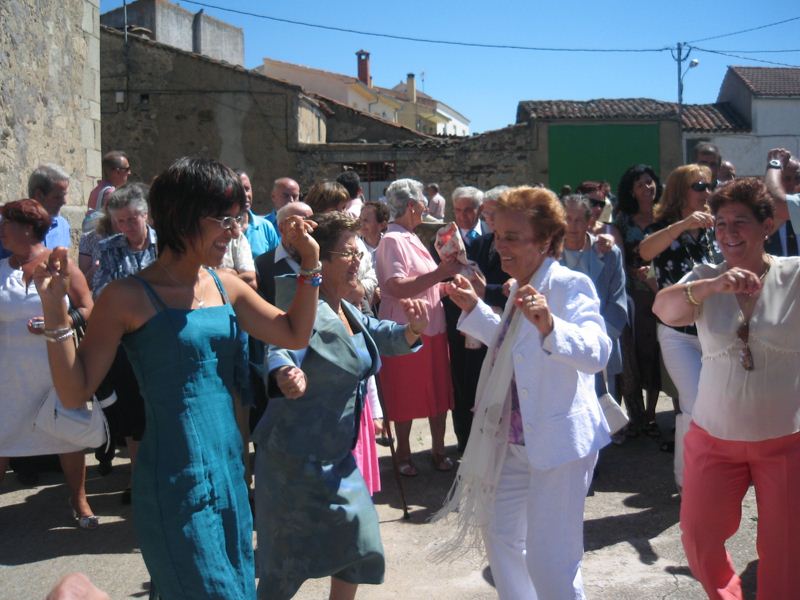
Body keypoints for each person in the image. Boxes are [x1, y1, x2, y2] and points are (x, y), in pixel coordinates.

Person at [33, 157, 320, 599]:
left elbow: (294, 332)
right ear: (183, 216)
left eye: (237, 219)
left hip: (230, 472)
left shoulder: (226, 285)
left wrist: (311, 264)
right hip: (173, 480)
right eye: (225, 220)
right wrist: (55, 313)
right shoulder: (127, 296)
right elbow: (74, 391)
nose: (235, 232)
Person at [439, 185, 611, 599]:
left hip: (558, 443)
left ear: (545, 241)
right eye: (498, 235)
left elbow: (598, 351)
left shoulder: (569, 285)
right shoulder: (521, 286)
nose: (499, 246)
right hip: (514, 442)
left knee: (551, 561)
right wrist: (473, 309)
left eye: (512, 237)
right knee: (500, 537)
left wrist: (552, 326)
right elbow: (512, 349)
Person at [255, 211, 428, 600]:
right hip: (292, 462)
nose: (357, 261)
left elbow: (373, 335)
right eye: (348, 253)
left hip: (335, 457)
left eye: (358, 253)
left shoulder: (343, 306)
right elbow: (280, 347)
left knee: (360, 545)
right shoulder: (301, 306)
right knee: (284, 570)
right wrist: (285, 372)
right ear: (321, 261)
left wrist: (411, 331)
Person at [652, 177, 800, 600]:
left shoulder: (794, 274)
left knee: (786, 551)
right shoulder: (704, 277)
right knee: (699, 536)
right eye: (720, 224)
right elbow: (663, 308)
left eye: (740, 222)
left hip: (784, 440)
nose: (729, 233)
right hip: (714, 439)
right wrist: (713, 286)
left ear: (767, 226)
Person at [0, 199, 97, 528]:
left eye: (6, 223)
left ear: (28, 229)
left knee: (67, 435)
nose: (1, 230)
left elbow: (88, 307)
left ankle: (79, 499)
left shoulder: (61, 266)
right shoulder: (1, 270)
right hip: (9, 374)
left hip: (56, 369)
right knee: (2, 436)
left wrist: (61, 320)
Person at [639, 164, 719, 488]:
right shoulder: (662, 227)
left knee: (710, 406)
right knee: (695, 401)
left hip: (714, 331)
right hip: (677, 334)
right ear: (680, 190)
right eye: (699, 186)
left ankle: (702, 475)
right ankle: (688, 482)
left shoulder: (715, 228)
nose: (706, 192)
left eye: (709, 186)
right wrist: (684, 225)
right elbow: (644, 251)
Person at [375, 178, 460, 476]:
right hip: (405, 330)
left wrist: (446, 288)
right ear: (411, 205)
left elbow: (424, 284)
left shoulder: (410, 236)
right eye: (423, 201)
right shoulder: (392, 240)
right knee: (405, 392)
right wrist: (440, 274)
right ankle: (403, 453)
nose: (426, 206)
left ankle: (438, 449)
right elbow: (396, 286)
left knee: (437, 390)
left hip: (432, 326)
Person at [92, 183, 158, 501]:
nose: (127, 227)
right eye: (120, 221)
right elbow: (101, 292)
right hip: (126, 343)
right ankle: (137, 477)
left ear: (145, 215)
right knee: (134, 415)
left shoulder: (166, 245)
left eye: (132, 219)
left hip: (161, 340)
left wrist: (128, 293)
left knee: (162, 409)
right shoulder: (109, 247)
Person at [560, 194, 627, 402]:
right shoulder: (548, 253)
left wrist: (596, 342)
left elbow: (618, 304)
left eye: (579, 220)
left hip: (600, 347)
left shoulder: (609, 253)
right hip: (561, 349)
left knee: (604, 412)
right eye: (567, 218)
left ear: (590, 221)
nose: (572, 226)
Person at [612, 164, 663, 436]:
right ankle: (638, 414)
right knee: (635, 353)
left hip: (662, 293)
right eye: (640, 184)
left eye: (650, 182)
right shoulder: (623, 220)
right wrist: (632, 272)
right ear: (631, 190)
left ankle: (652, 414)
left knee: (657, 352)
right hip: (634, 296)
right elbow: (618, 257)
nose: (647, 188)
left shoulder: (665, 216)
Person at [1, 165, 72, 260]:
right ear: (39, 195)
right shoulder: (10, 226)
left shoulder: (63, 226)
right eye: (57, 197)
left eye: (65, 195)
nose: (64, 202)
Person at [84, 151, 130, 231]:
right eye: (127, 169)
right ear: (117, 172)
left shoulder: (95, 190)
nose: (129, 173)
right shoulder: (111, 193)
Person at [238, 170, 281, 257]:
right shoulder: (222, 228)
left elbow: (277, 261)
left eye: (247, 189)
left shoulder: (266, 227)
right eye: (239, 190)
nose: (245, 195)